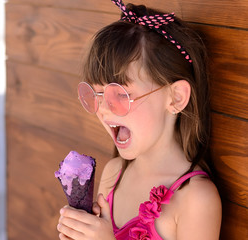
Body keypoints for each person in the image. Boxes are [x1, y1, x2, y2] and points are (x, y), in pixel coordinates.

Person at [57, 0, 222, 239]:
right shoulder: (114, 174)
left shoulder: (195, 198)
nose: (103, 109)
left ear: (175, 98)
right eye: (96, 94)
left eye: (120, 94)